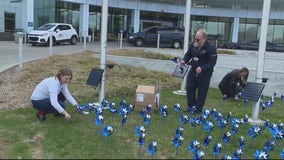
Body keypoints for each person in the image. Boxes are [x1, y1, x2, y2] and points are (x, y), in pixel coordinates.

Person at [181, 29, 217, 114]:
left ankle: (198, 108)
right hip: (193, 70)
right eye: (195, 38)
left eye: (197, 39)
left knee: (202, 91)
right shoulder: (193, 45)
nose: (195, 40)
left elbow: (212, 62)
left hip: (204, 73)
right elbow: (188, 54)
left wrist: (203, 68)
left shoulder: (210, 48)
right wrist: (184, 61)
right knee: (190, 88)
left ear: (204, 39)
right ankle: (191, 106)